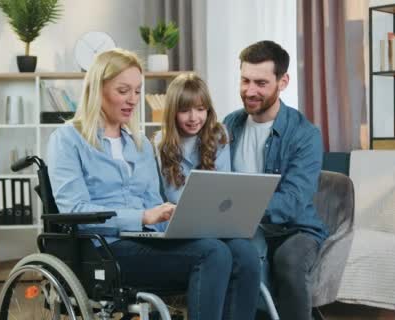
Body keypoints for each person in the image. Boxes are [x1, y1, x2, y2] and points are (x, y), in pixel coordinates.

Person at [47, 48, 257, 320]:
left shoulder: (139, 143)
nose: (132, 100)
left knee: (243, 252)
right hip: (103, 249)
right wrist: (143, 216)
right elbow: (74, 210)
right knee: (212, 254)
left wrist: (181, 223)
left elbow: (153, 203)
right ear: (98, 89)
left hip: (146, 240)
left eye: (137, 91)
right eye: (123, 91)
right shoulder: (67, 139)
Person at [223, 40, 329, 320]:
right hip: (240, 226)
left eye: (260, 82)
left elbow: (293, 202)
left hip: (295, 229)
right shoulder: (228, 125)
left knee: (289, 261)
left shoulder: (305, 134)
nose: (250, 91)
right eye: (245, 80)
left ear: (283, 82)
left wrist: (240, 208)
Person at [153, 73, 260, 320]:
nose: (194, 118)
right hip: (182, 229)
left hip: (215, 225)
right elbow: (169, 198)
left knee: (247, 255)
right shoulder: (160, 145)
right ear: (172, 112)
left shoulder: (218, 136)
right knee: (216, 253)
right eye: (185, 110)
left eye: (200, 109)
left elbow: (224, 189)